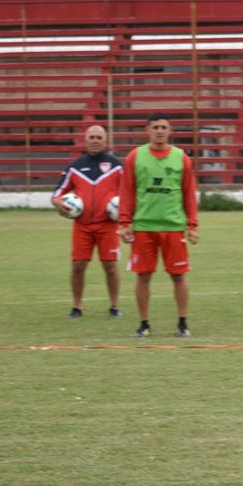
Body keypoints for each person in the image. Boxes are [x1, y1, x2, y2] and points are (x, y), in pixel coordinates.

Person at [118, 112, 198, 338]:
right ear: (148, 130)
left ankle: (182, 322)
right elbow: (127, 191)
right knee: (143, 276)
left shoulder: (181, 158)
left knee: (178, 276)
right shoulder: (135, 157)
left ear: (170, 130)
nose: (160, 131)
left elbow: (188, 193)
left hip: (173, 227)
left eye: (164, 127)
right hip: (143, 227)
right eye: (156, 127)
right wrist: (125, 222)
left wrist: (192, 225)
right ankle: (143, 324)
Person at [52, 124, 124, 319]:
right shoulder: (75, 166)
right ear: (86, 140)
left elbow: (130, 193)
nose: (94, 140)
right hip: (82, 226)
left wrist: (125, 212)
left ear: (105, 141)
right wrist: (59, 204)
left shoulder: (117, 166)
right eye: (91, 137)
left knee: (110, 266)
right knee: (78, 266)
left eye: (98, 137)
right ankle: (77, 307)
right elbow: (58, 194)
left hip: (108, 226)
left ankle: (114, 305)